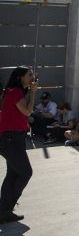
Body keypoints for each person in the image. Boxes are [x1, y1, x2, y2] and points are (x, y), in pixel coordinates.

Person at [0, 67, 37, 223]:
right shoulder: (15, 92)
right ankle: (6, 208)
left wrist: (30, 90)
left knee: (13, 174)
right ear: (21, 77)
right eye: (29, 75)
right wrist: (34, 92)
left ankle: (4, 210)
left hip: (13, 138)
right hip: (11, 139)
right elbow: (28, 112)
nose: (32, 77)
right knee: (25, 172)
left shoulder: (14, 91)